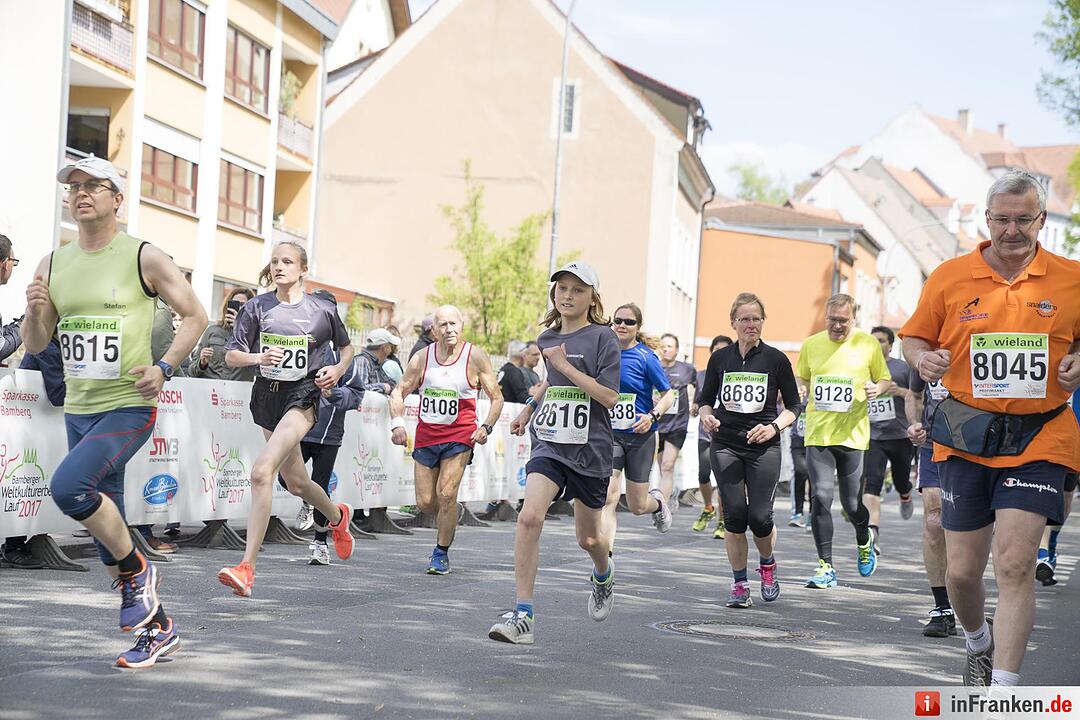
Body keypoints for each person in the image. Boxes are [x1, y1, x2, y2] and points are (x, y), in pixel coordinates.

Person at [22, 155, 207, 667]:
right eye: (72, 187)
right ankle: (158, 630)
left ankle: (139, 571)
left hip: (129, 404)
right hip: (79, 409)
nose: (80, 193)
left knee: (69, 489)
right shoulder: (52, 263)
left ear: (116, 198)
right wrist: (36, 311)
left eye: (92, 185)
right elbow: (37, 342)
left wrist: (166, 366)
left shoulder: (144, 256)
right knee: (110, 524)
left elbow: (195, 316)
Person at [899, 169, 1080, 687]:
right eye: (1002, 219)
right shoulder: (950, 276)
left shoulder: (1071, 278)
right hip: (965, 434)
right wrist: (924, 358)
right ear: (987, 219)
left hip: (1041, 435)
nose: (1012, 230)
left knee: (1017, 561)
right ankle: (979, 640)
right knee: (960, 571)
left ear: (1041, 219)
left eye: (1024, 219)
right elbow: (913, 339)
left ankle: (1002, 691)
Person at [488, 262, 619, 644]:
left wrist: (564, 365)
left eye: (577, 290)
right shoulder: (547, 338)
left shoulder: (603, 338)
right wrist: (529, 409)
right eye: (561, 288)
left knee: (590, 539)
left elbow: (609, 396)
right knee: (529, 517)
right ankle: (523, 613)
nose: (567, 295)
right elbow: (553, 379)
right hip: (550, 442)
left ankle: (603, 573)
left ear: (592, 297)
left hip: (590, 449)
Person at [217, 241, 356, 597]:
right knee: (295, 482)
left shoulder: (320, 311)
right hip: (267, 395)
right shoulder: (256, 307)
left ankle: (246, 567)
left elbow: (346, 347)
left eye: (288, 261)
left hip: (302, 397)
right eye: (275, 261)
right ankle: (338, 517)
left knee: (262, 471)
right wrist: (258, 358)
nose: (279, 267)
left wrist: (337, 370)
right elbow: (232, 355)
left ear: (302, 269)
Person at [697, 293, 800, 607]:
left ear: (762, 322)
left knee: (759, 517)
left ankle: (767, 563)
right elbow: (704, 401)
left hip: (763, 445)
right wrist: (707, 417)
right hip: (726, 443)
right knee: (734, 515)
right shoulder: (720, 358)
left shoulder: (776, 359)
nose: (751, 324)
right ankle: (740, 583)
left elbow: (795, 405)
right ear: (733, 323)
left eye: (756, 318)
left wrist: (773, 427)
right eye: (745, 319)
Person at [389, 305, 503, 574]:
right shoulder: (422, 357)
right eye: (443, 325)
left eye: (453, 324)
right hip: (427, 436)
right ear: (434, 329)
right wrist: (397, 424)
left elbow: (496, 397)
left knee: (447, 494)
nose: (449, 329)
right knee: (426, 503)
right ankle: (448, 514)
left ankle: (441, 552)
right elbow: (399, 391)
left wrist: (486, 427)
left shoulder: (475, 356)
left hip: (460, 436)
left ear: (462, 325)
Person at [795, 293, 890, 589]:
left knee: (851, 505)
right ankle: (826, 566)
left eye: (843, 321)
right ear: (825, 317)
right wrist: (801, 390)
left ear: (854, 319)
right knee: (821, 497)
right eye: (832, 320)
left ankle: (864, 537)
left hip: (853, 435)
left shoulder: (867, 344)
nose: (837, 326)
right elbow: (803, 378)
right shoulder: (811, 344)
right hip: (818, 433)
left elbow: (884, 379)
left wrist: (878, 388)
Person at [286, 317, 396, 564]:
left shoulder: (345, 356)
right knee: (286, 478)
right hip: (298, 429)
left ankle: (320, 543)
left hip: (328, 435)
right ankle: (310, 501)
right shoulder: (301, 346)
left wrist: (333, 392)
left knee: (321, 486)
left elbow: (356, 396)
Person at [600, 303, 675, 553]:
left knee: (637, 505)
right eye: (618, 320)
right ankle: (605, 560)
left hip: (640, 436)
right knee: (609, 495)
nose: (622, 325)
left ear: (637, 327)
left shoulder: (645, 357)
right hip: (611, 434)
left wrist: (652, 417)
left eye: (629, 322)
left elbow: (668, 395)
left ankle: (659, 503)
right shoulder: (604, 353)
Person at [861, 326, 918, 554]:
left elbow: (916, 395)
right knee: (871, 484)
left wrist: (900, 392)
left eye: (882, 341)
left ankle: (905, 493)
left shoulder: (902, 368)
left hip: (899, 434)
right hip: (873, 435)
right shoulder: (862, 367)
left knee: (900, 480)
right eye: (873, 340)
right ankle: (872, 532)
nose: (877, 344)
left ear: (890, 345)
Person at [907, 374, 955, 637]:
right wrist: (914, 423)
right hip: (933, 445)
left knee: (976, 530)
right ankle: (942, 608)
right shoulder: (926, 350)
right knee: (935, 523)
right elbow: (913, 395)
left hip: (979, 446)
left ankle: (970, 601)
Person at [1035, 386, 1079, 586]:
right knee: (1047, 493)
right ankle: (1042, 553)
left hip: (1075, 433)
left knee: (1065, 498)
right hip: (1050, 434)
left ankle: (1050, 544)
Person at [690, 335, 732, 537]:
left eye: (724, 350)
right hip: (705, 432)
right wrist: (696, 406)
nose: (720, 354)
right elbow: (700, 399)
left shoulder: (734, 375)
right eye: (717, 350)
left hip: (725, 433)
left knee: (723, 478)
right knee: (703, 474)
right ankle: (708, 507)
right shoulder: (701, 375)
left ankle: (723, 520)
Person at [656, 333, 696, 510]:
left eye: (670, 346)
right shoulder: (654, 367)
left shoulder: (687, 369)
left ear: (677, 350)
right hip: (657, 424)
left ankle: (662, 506)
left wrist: (696, 402)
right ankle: (670, 492)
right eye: (663, 346)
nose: (666, 349)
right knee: (661, 466)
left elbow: (698, 387)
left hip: (677, 424)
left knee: (667, 465)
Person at [187, 286, 257, 381]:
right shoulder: (213, 331)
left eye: (243, 305)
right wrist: (202, 363)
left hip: (238, 392)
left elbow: (259, 365)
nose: (239, 308)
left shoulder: (255, 335)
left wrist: (241, 328)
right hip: (212, 391)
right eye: (235, 304)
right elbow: (191, 372)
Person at [498, 339, 532, 404]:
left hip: (502, 408)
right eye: (526, 354)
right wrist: (536, 397)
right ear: (523, 355)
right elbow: (522, 397)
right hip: (511, 410)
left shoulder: (503, 369)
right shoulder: (514, 372)